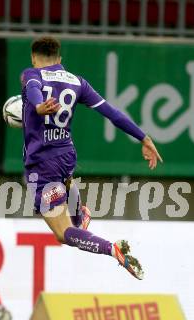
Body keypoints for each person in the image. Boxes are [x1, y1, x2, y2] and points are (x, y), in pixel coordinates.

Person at [21, 37, 163, 280]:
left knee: (63, 233)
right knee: (65, 181)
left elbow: (33, 88)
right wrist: (143, 137)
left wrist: (37, 106)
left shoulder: (31, 74)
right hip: (66, 153)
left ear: (34, 57)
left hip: (42, 162)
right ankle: (80, 213)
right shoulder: (78, 82)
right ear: (60, 59)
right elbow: (113, 113)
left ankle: (111, 248)